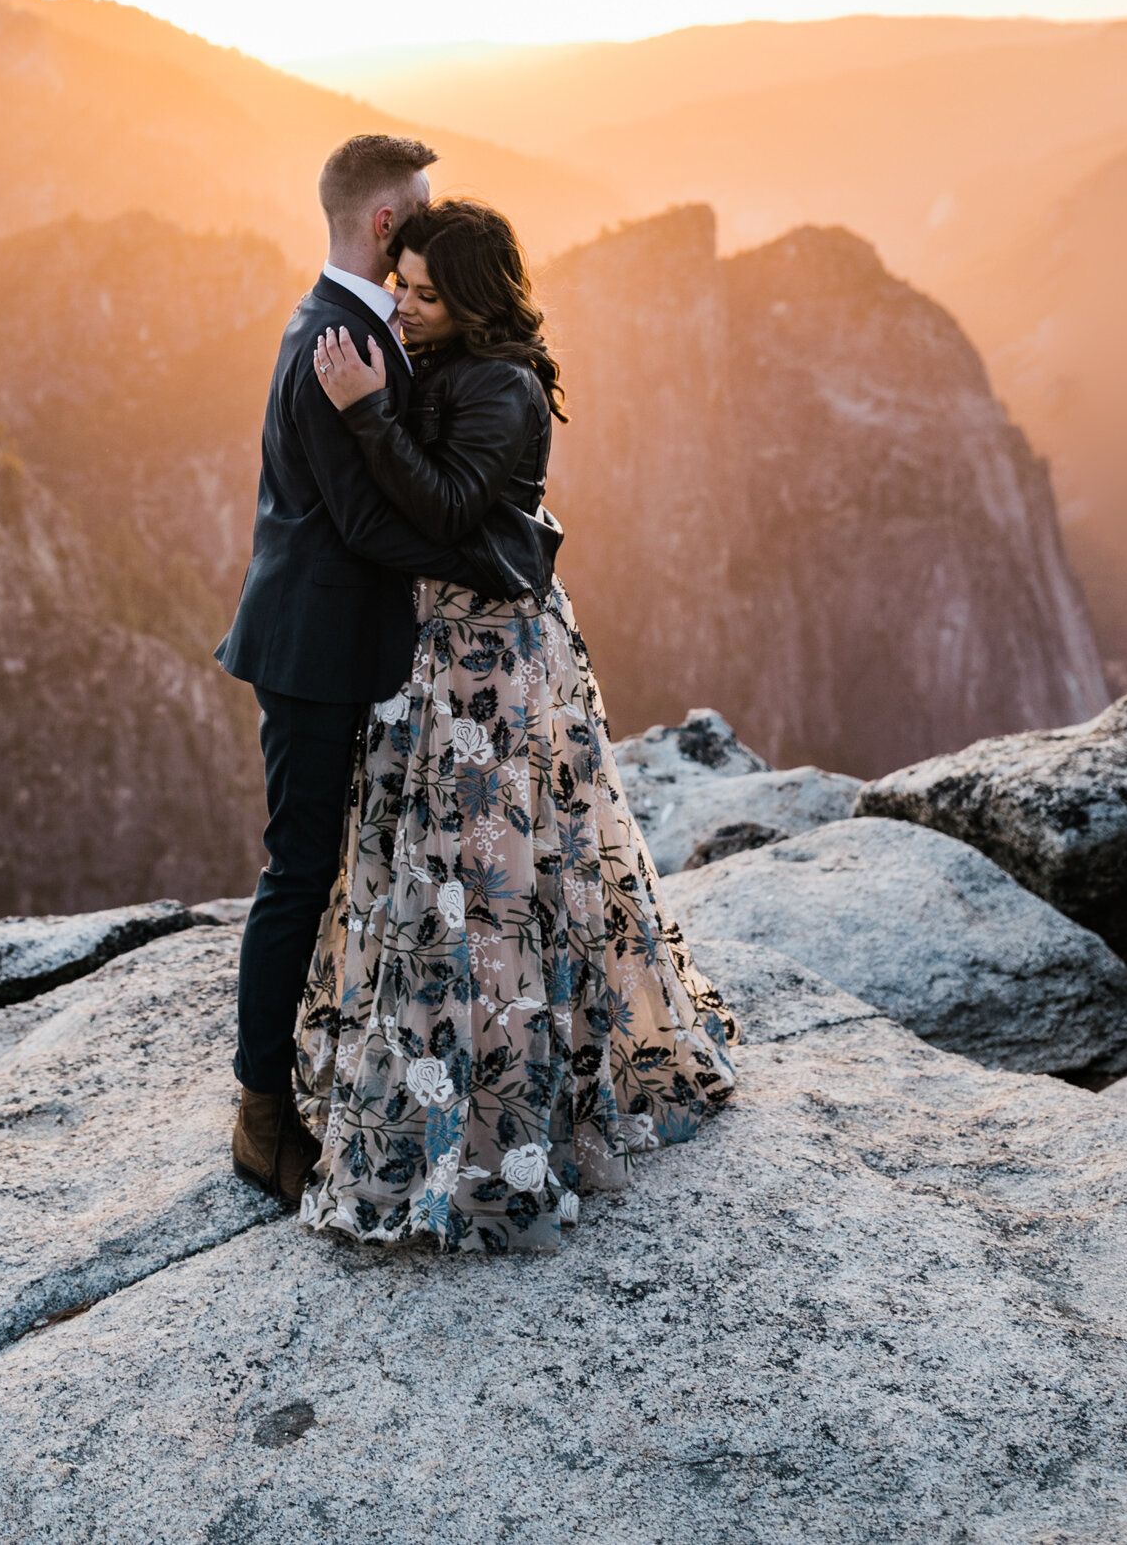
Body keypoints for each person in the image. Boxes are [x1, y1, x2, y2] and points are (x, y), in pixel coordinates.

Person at [293, 195, 738, 1253]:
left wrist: (360, 408)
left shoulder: (503, 384)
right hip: (440, 656)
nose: (401, 304)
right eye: (398, 282)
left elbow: (445, 508)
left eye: (426, 293)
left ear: (476, 300)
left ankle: (500, 1121)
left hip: (486, 668)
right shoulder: (449, 362)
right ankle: (433, 1085)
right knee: (437, 872)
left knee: (487, 879)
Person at [217, 134, 477, 1207]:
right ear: (384, 223)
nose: (423, 225)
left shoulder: (359, 325)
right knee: (296, 872)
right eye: (415, 213)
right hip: (313, 654)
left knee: (332, 863)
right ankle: (258, 1111)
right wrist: (493, 554)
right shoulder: (333, 340)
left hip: (341, 643)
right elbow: (365, 521)